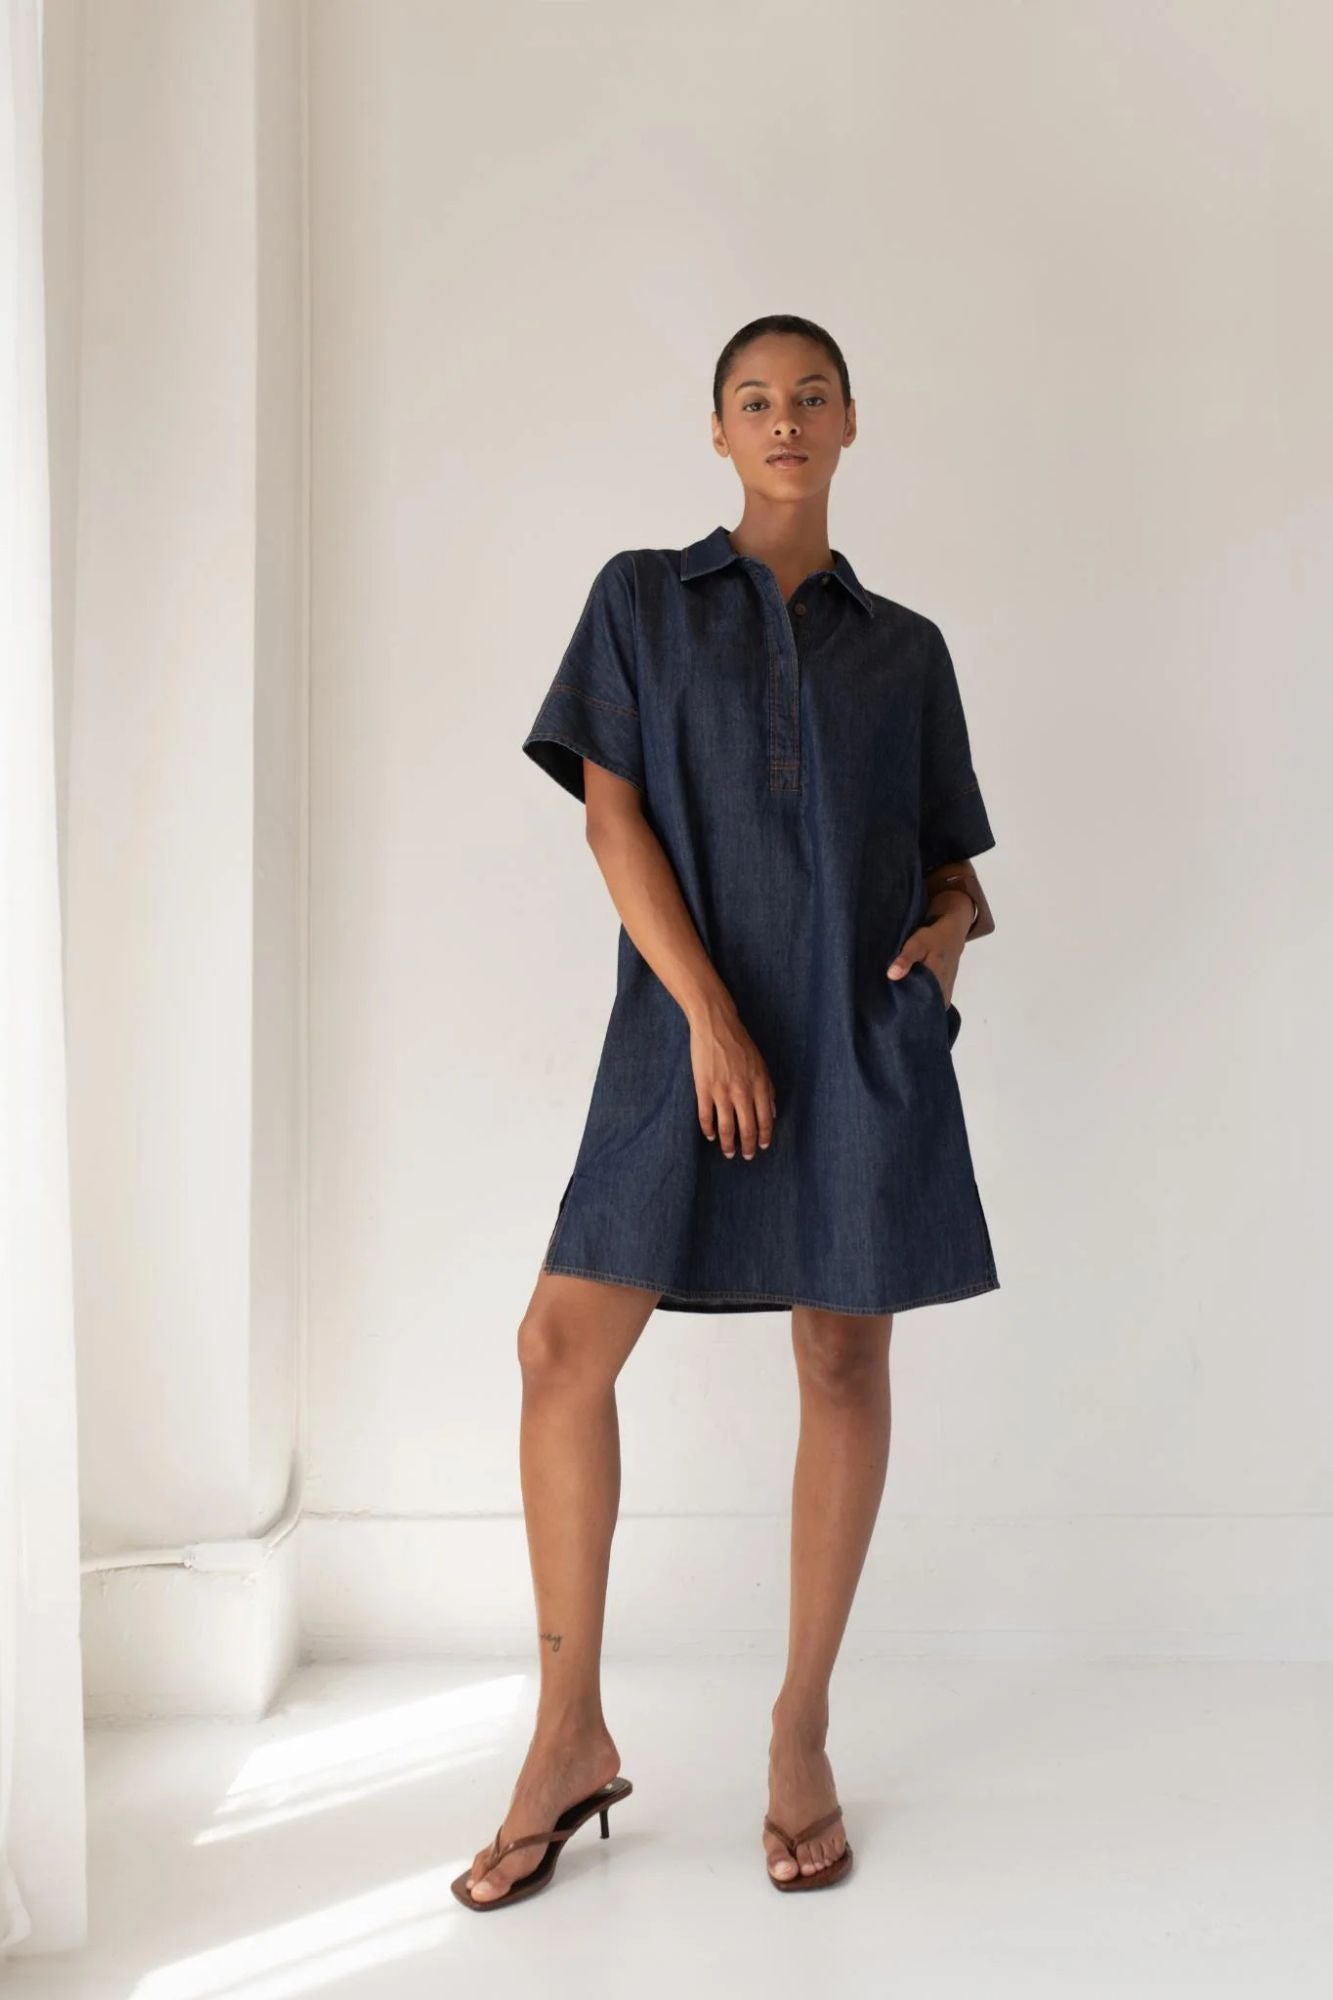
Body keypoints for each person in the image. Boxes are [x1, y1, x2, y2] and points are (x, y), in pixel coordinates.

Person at [453, 313, 999, 1909]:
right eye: (754, 399)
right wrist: (705, 1017)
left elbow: (952, 864)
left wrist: (945, 937)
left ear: (849, 424)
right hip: (681, 1032)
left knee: (840, 1356)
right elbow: (608, 817)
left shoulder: (905, 650)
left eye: (810, 397)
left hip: (854, 1035)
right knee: (558, 1349)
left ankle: (799, 1728)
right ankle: (567, 1736)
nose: (783, 420)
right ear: (715, 431)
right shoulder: (642, 598)